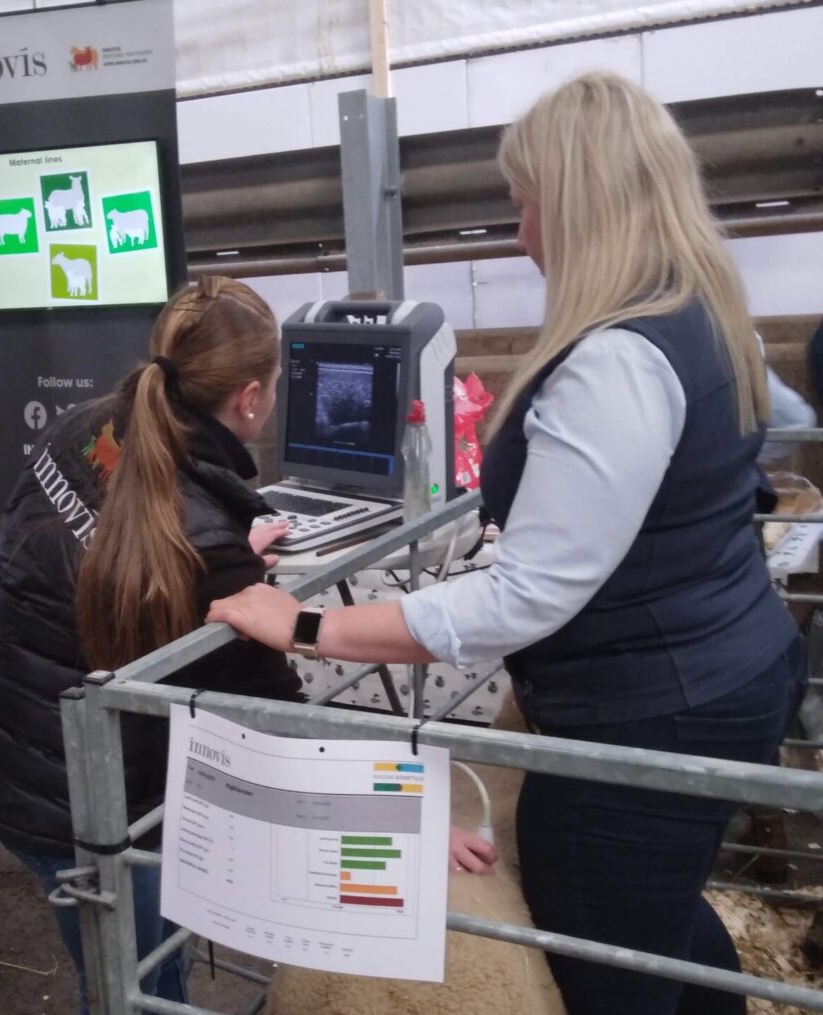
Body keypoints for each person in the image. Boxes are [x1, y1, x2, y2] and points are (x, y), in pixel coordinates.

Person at [207, 73, 807, 1015]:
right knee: (662, 918)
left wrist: (308, 622)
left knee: (604, 951)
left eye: (525, 205)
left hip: (650, 704)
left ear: (577, 205)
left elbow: (528, 596)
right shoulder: (700, 310)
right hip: (717, 667)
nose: (519, 232)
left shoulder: (616, 356)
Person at [0, 276, 302, 1014]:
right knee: (138, 988)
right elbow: (285, 724)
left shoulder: (85, 422)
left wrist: (221, 547)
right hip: (90, 799)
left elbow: (122, 545)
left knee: (117, 973)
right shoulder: (204, 542)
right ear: (249, 397)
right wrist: (422, 818)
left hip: (6, 751)